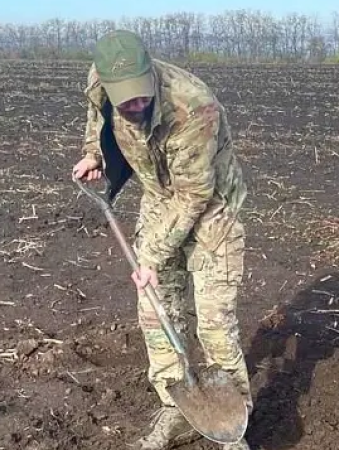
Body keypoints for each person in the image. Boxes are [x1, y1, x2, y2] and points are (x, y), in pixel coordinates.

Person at [72, 30, 252, 450]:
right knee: (156, 310)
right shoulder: (99, 80)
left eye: (141, 95)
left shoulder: (193, 105)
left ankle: (233, 424)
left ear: (150, 71)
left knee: (215, 322)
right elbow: (97, 114)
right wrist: (94, 153)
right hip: (158, 199)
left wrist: (149, 257)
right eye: (126, 100)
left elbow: (194, 196)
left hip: (212, 209)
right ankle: (176, 406)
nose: (136, 105)